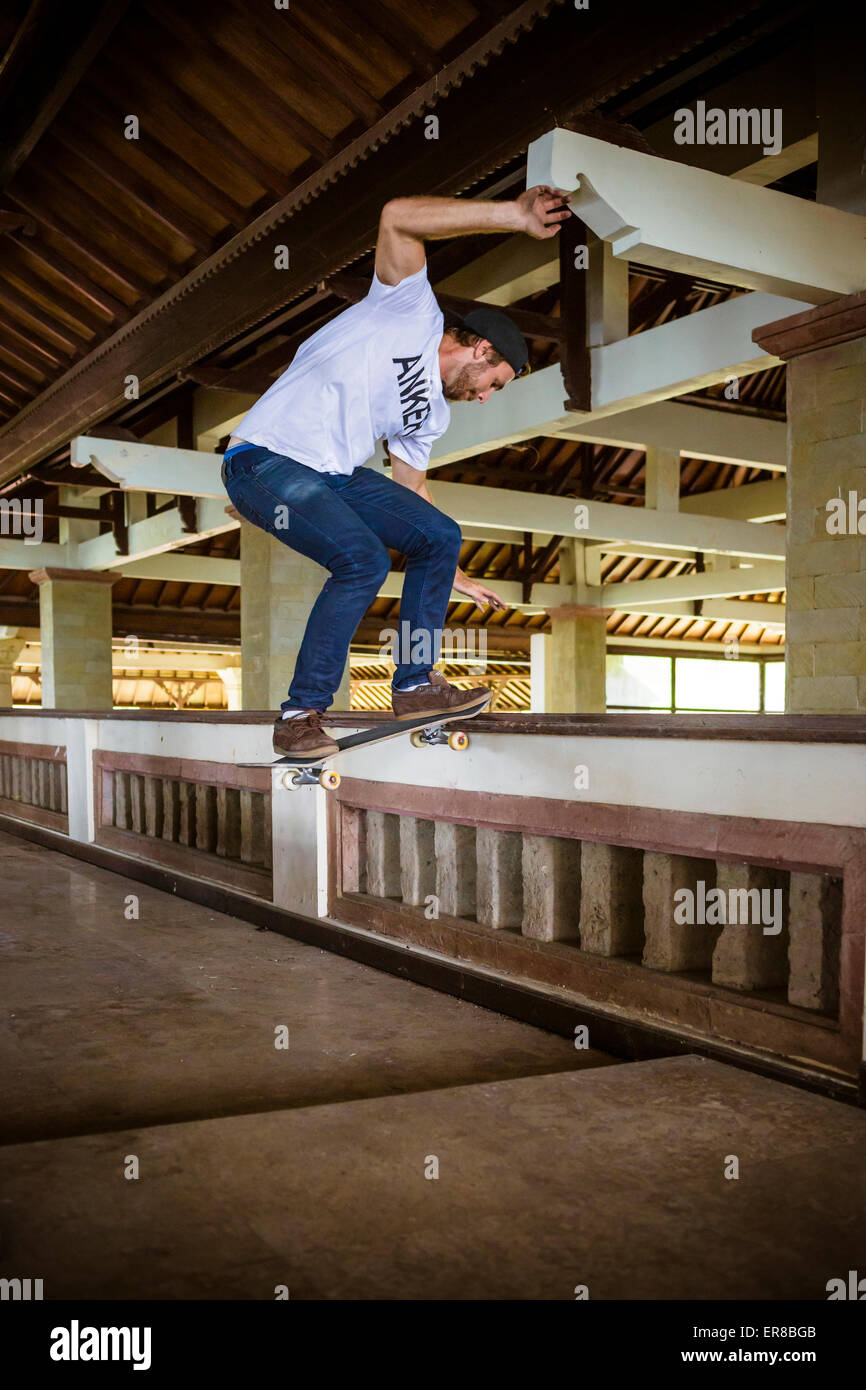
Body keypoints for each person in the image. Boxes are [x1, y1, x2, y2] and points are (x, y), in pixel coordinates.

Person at [221, 185, 571, 758]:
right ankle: (299, 714)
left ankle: (413, 686)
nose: (486, 399)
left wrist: (445, 565)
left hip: (329, 475)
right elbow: (396, 216)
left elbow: (412, 494)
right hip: (263, 458)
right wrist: (512, 215)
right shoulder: (407, 309)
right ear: (481, 350)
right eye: (495, 384)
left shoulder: (430, 414)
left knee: (441, 533)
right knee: (362, 559)